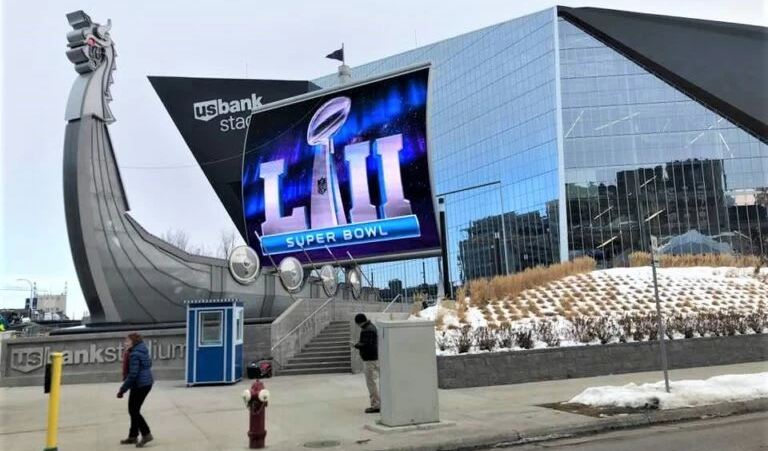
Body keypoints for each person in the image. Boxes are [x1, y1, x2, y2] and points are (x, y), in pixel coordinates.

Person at [117, 333, 154, 447]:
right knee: (134, 409)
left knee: (134, 410)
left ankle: (146, 434)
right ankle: (133, 436)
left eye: (127, 341)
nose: (125, 343)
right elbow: (149, 364)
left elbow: (133, 375)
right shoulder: (143, 351)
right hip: (146, 383)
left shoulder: (134, 354)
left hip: (140, 384)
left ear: (133, 342)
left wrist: (122, 390)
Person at [353, 314, 380, 414]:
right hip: (374, 357)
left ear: (360, 322)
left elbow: (366, 344)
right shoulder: (371, 327)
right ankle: (378, 403)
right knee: (373, 382)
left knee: (371, 382)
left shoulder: (367, 330)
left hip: (370, 359)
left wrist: (355, 345)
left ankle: (376, 405)